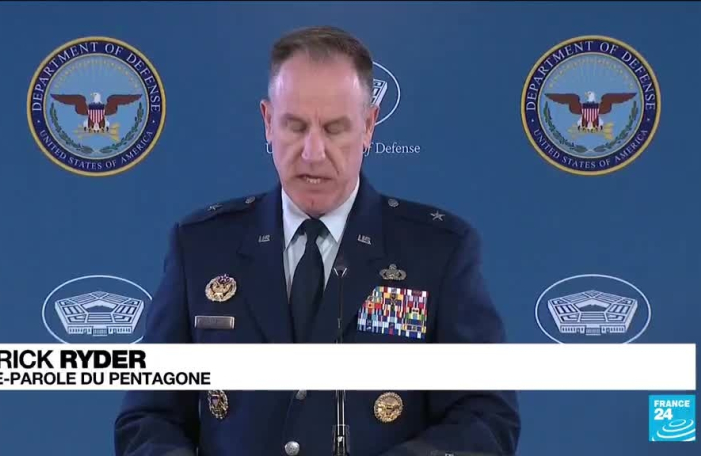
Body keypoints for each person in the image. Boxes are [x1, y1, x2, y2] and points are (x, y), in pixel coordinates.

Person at [114, 25, 521, 456]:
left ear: (369, 126)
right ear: (268, 122)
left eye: (334, 129)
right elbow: (148, 418)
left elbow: (485, 415)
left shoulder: (437, 252)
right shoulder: (201, 247)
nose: (313, 152)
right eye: (295, 126)